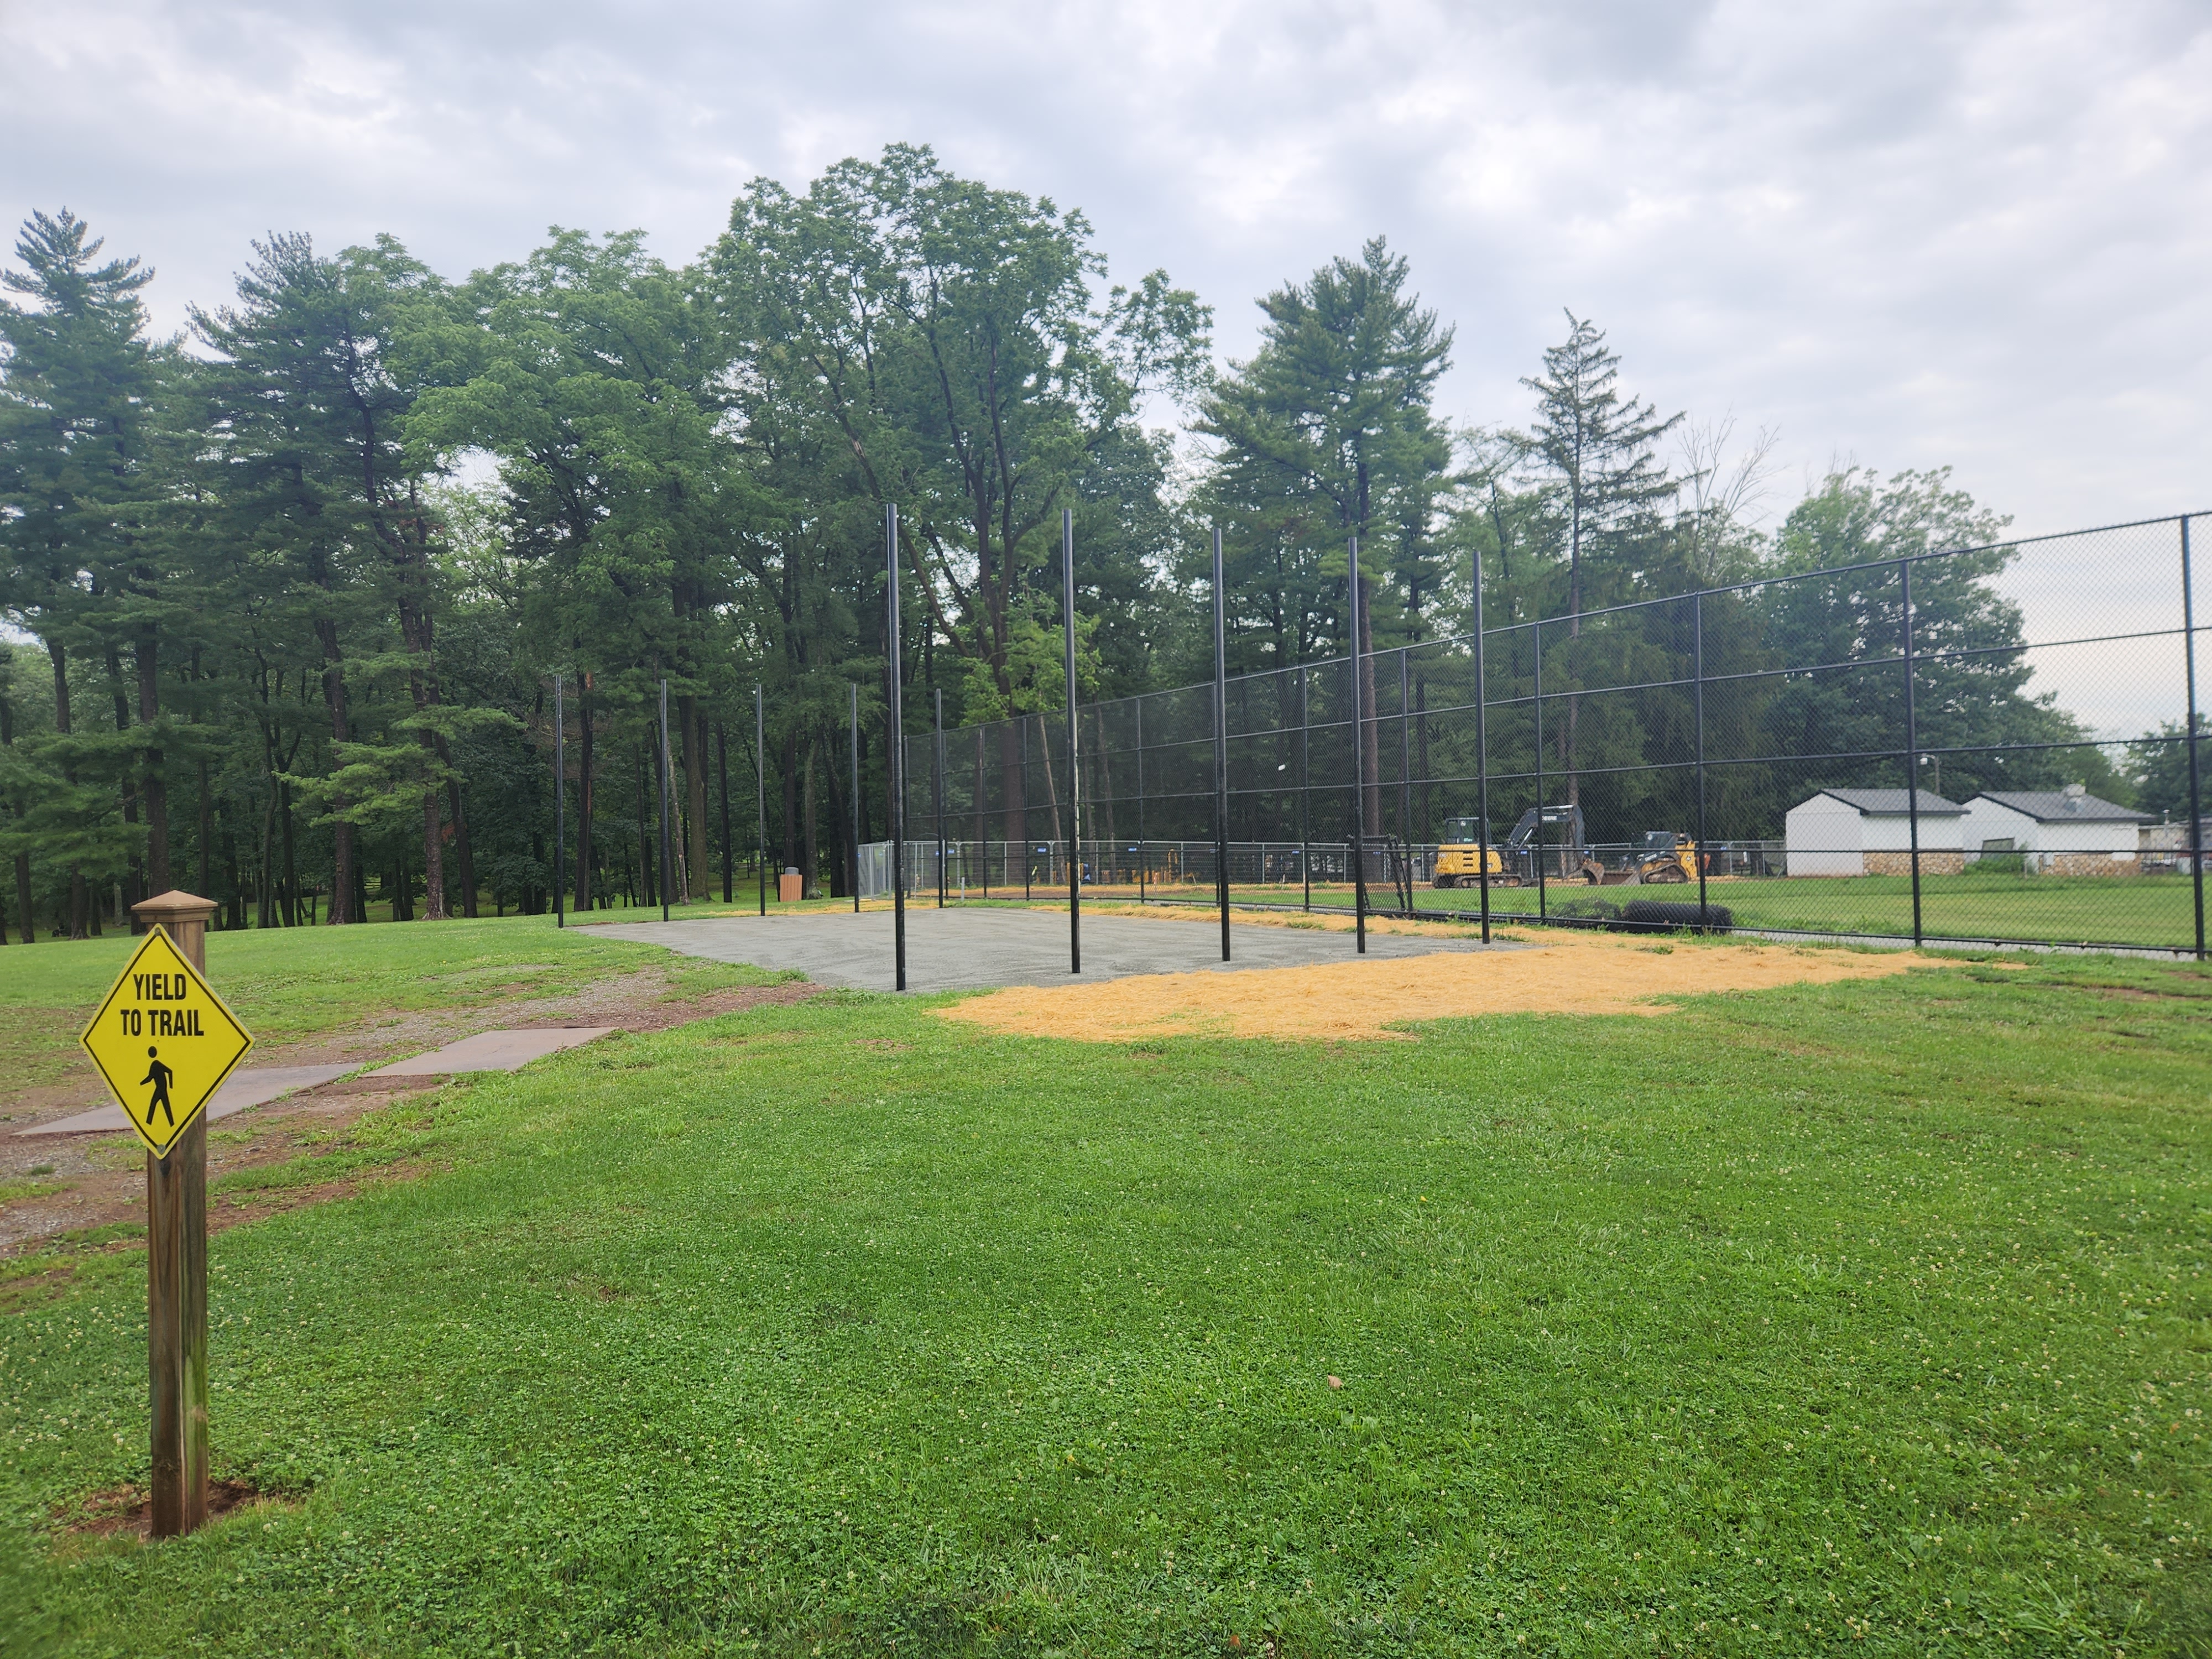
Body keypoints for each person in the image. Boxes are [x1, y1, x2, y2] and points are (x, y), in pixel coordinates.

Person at [140, 1046, 175, 1129]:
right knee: (165, 1106)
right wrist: (141, 1083)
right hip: (161, 1088)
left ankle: (149, 1122)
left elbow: (170, 1071)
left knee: (155, 1104)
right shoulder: (155, 1064)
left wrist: (171, 1086)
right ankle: (171, 1124)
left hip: (161, 1089)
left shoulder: (156, 1064)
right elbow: (150, 1078)